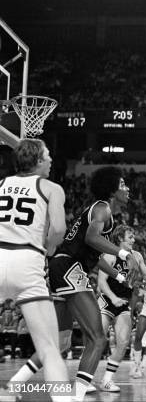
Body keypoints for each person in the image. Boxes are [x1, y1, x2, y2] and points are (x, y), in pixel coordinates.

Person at [8, 165, 134, 401]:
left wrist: (118, 276)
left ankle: (17, 383)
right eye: (123, 185)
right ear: (112, 189)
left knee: (61, 342)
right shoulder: (103, 208)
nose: (127, 189)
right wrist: (125, 255)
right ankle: (76, 395)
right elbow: (91, 238)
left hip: (61, 267)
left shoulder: (102, 212)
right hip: (69, 268)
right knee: (97, 338)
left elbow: (93, 253)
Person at [0, 139, 70, 402]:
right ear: (38, 160)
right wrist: (49, 247)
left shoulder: (1, 185)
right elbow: (59, 229)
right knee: (50, 348)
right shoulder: (51, 188)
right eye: (48, 155)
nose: (51, 159)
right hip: (28, 261)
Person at [97, 225, 146, 391]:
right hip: (107, 300)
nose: (134, 240)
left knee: (123, 342)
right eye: (130, 237)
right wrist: (113, 298)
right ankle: (84, 378)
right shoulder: (110, 254)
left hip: (124, 303)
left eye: (133, 237)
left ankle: (106, 380)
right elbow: (101, 282)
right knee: (97, 341)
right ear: (120, 238)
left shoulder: (137, 256)